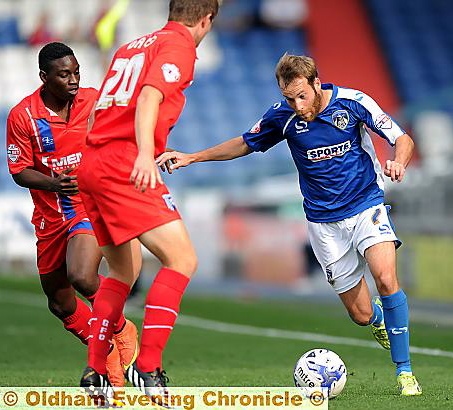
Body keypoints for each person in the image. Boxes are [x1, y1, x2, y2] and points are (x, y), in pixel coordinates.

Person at [156, 53, 423, 396]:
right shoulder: (282, 117)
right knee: (359, 313)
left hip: (366, 205)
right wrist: (192, 157)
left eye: (302, 96)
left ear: (316, 83)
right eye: (288, 98)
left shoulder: (354, 102)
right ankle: (377, 321)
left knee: (386, 278)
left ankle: (405, 372)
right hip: (324, 222)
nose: (297, 105)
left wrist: (399, 162)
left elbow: (401, 138)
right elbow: (244, 143)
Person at [77, 0, 220, 397]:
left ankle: (95, 372)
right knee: (183, 259)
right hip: (124, 161)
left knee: (123, 272)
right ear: (205, 20)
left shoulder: (132, 46)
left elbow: (97, 112)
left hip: (92, 162)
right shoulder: (179, 47)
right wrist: (143, 154)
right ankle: (148, 367)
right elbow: (149, 98)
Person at [6, 42, 140, 387]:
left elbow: (128, 127)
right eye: (64, 74)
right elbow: (18, 170)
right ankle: (107, 345)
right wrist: (53, 183)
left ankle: (120, 330)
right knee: (60, 302)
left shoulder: (95, 101)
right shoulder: (24, 116)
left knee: (82, 275)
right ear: (44, 77)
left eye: (77, 72)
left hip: (88, 206)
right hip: (51, 216)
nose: (74, 80)